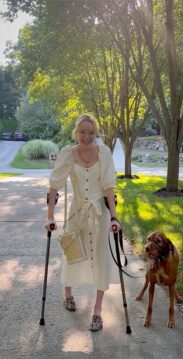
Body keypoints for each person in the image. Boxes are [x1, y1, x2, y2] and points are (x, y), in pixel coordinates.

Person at [46, 114, 121, 331]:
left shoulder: (104, 153)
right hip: (76, 212)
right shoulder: (67, 153)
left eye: (90, 132)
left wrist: (114, 217)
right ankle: (68, 294)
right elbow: (54, 186)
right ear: (76, 132)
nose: (86, 137)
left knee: (100, 259)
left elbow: (109, 188)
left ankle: (97, 310)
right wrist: (50, 216)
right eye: (82, 132)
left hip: (99, 214)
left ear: (95, 133)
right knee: (73, 254)